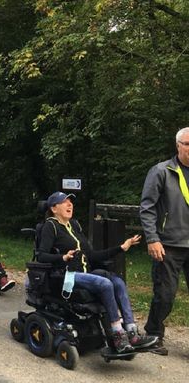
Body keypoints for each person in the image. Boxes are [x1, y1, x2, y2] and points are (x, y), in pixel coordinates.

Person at [38, 191, 158, 353]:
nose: (70, 204)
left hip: (85, 274)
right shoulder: (50, 226)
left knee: (118, 282)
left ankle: (132, 332)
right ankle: (118, 335)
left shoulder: (74, 225)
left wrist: (121, 248)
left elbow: (92, 255)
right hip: (65, 276)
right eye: (64, 202)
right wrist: (63, 257)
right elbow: (41, 256)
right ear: (54, 208)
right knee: (105, 283)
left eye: (70, 202)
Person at [140, 126, 189, 355]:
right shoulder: (162, 171)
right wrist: (152, 238)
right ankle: (153, 334)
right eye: (187, 144)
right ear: (178, 146)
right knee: (166, 294)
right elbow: (147, 207)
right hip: (168, 244)